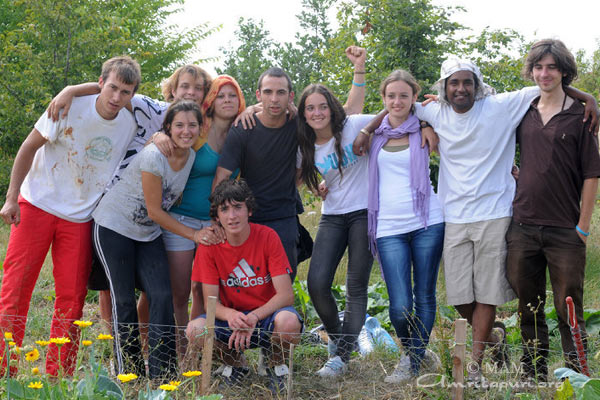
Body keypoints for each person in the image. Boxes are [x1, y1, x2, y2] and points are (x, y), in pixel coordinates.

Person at [353, 57, 599, 384]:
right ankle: (494, 338)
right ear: (444, 87)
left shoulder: (501, 105)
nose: (461, 88)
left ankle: (475, 366)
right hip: (453, 214)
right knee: (459, 298)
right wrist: (370, 128)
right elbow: (399, 106)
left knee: (486, 294)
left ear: (477, 85)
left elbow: (548, 83)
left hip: (495, 213)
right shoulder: (434, 111)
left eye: (467, 82)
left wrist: (587, 97)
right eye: (454, 83)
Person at [47, 64, 213, 336]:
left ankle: (145, 342)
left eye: (198, 88)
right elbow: (113, 90)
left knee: (153, 286)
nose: (191, 92)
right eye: (185, 86)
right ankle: (111, 337)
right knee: (111, 285)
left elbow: (235, 111)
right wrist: (71, 90)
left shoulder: (202, 121)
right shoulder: (153, 109)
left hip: (153, 216)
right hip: (116, 198)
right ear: (173, 90)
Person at [0, 56, 140, 376]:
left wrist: (72, 87)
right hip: (36, 203)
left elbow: (168, 108)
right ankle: (4, 369)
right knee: (16, 290)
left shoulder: (132, 122)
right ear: (100, 83)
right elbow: (28, 147)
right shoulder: (68, 107)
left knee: (72, 299)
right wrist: (11, 198)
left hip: (79, 216)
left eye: (126, 92)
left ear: (133, 94)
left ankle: (58, 375)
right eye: (112, 88)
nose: (117, 97)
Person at [213, 46, 367, 282]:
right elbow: (221, 179)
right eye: (268, 92)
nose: (274, 99)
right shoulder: (243, 128)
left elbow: (351, 110)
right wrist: (217, 220)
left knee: (283, 285)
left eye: (281, 92)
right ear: (258, 95)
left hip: (284, 218)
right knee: (247, 285)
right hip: (247, 218)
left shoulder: (300, 124)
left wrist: (359, 68)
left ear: (291, 96)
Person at [506, 39, 600, 382]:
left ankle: (576, 376)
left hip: (565, 229)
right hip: (523, 225)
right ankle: (532, 373)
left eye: (552, 67)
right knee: (528, 306)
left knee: (568, 306)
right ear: (531, 71)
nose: (544, 74)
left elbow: (592, 175)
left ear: (564, 71)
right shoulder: (522, 110)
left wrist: (583, 227)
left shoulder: (581, 115)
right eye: (538, 67)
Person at [92, 100, 204, 380]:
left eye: (192, 125)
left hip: (147, 233)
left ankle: (162, 373)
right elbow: (155, 211)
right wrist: (193, 234)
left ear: (200, 128)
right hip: (114, 227)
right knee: (124, 300)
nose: (186, 131)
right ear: (168, 128)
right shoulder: (155, 156)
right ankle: (128, 372)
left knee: (162, 295)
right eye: (179, 125)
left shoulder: (191, 156)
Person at [153, 75, 245, 359]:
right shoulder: (197, 131)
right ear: (211, 100)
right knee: (180, 291)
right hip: (181, 219)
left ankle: (214, 350)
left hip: (218, 222)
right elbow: (167, 137)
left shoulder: (242, 130)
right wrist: (158, 136)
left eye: (232, 96)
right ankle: (182, 352)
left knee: (208, 288)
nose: (226, 101)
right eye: (220, 96)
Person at [185, 179, 302, 393]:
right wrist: (231, 316)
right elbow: (211, 303)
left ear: (249, 210)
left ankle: (276, 365)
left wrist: (254, 317)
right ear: (217, 216)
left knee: (289, 323)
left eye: (238, 207)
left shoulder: (268, 236)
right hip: (232, 318)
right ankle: (236, 364)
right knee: (195, 330)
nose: (232, 216)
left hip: (266, 316)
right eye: (224, 209)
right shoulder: (210, 246)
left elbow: (286, 295)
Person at [367, 70, 445, 383]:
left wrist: (428, 117)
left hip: (427, 221)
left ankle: (410, 361)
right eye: (391, 96)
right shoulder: (374, 134)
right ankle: (418, 351)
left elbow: (466, 119)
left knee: (424, 295)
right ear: (383, 99)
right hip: (388, 226)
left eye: (404, 95)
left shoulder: (428, 129)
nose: (397, 101)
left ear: (414, 97)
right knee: (400, 305)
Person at [296, 81, 373, 377]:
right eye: (310, 108)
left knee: (356, 286)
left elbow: (392, 113)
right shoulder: (305, 144)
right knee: (316, 283)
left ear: (332, 108)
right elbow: (299, 178)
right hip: (333, 215)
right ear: (304, 114)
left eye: (322, 106)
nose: (317, 113)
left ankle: (341, 357)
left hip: (364, 212)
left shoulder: (354, 125)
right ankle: (339, 338)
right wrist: (317, 187)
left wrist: (368, 131)